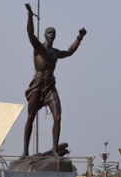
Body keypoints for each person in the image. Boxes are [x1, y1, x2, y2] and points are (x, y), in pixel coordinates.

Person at [21, 3, 87, 158]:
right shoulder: (39, 48)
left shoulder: (55, 53)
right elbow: (30, 34)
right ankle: (25, 151)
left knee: (58, 116)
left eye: (54, 33)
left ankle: (55, 150)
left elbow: (69, 52)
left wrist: (79, 38)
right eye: (49, 32)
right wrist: (30, 16)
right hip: (37, 85)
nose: (52, 34)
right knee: (30, 117)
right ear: (45, 35)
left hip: (50, 87)